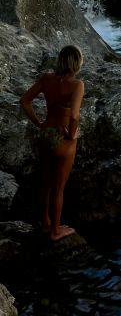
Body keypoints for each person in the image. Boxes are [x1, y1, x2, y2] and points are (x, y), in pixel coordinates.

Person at [20, 45, 84, 242]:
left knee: (45, 183)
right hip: (63, 140)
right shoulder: (77, 85)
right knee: (59, 188)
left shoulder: (47, 79)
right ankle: (56, 231)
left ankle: (45, 222)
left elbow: (24, 101)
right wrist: (72, 135)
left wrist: (38, 123)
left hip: (46, 134)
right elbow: (73, 115)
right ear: (77, 63)